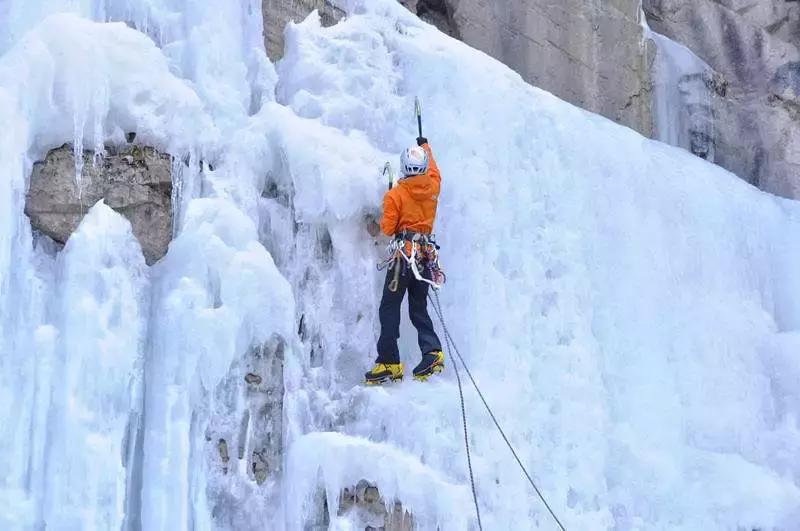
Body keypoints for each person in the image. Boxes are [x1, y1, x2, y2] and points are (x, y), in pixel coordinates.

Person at [365, 136, 445, 385]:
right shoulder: (432, 187)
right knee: (418, 306)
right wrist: (426, 147)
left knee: (389, 307)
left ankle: (389, 361)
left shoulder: (396, 195)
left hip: (403, 257)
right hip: (424, 257)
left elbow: (388, 228)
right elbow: (435, 172)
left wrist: (388, 204)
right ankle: (432, 353)